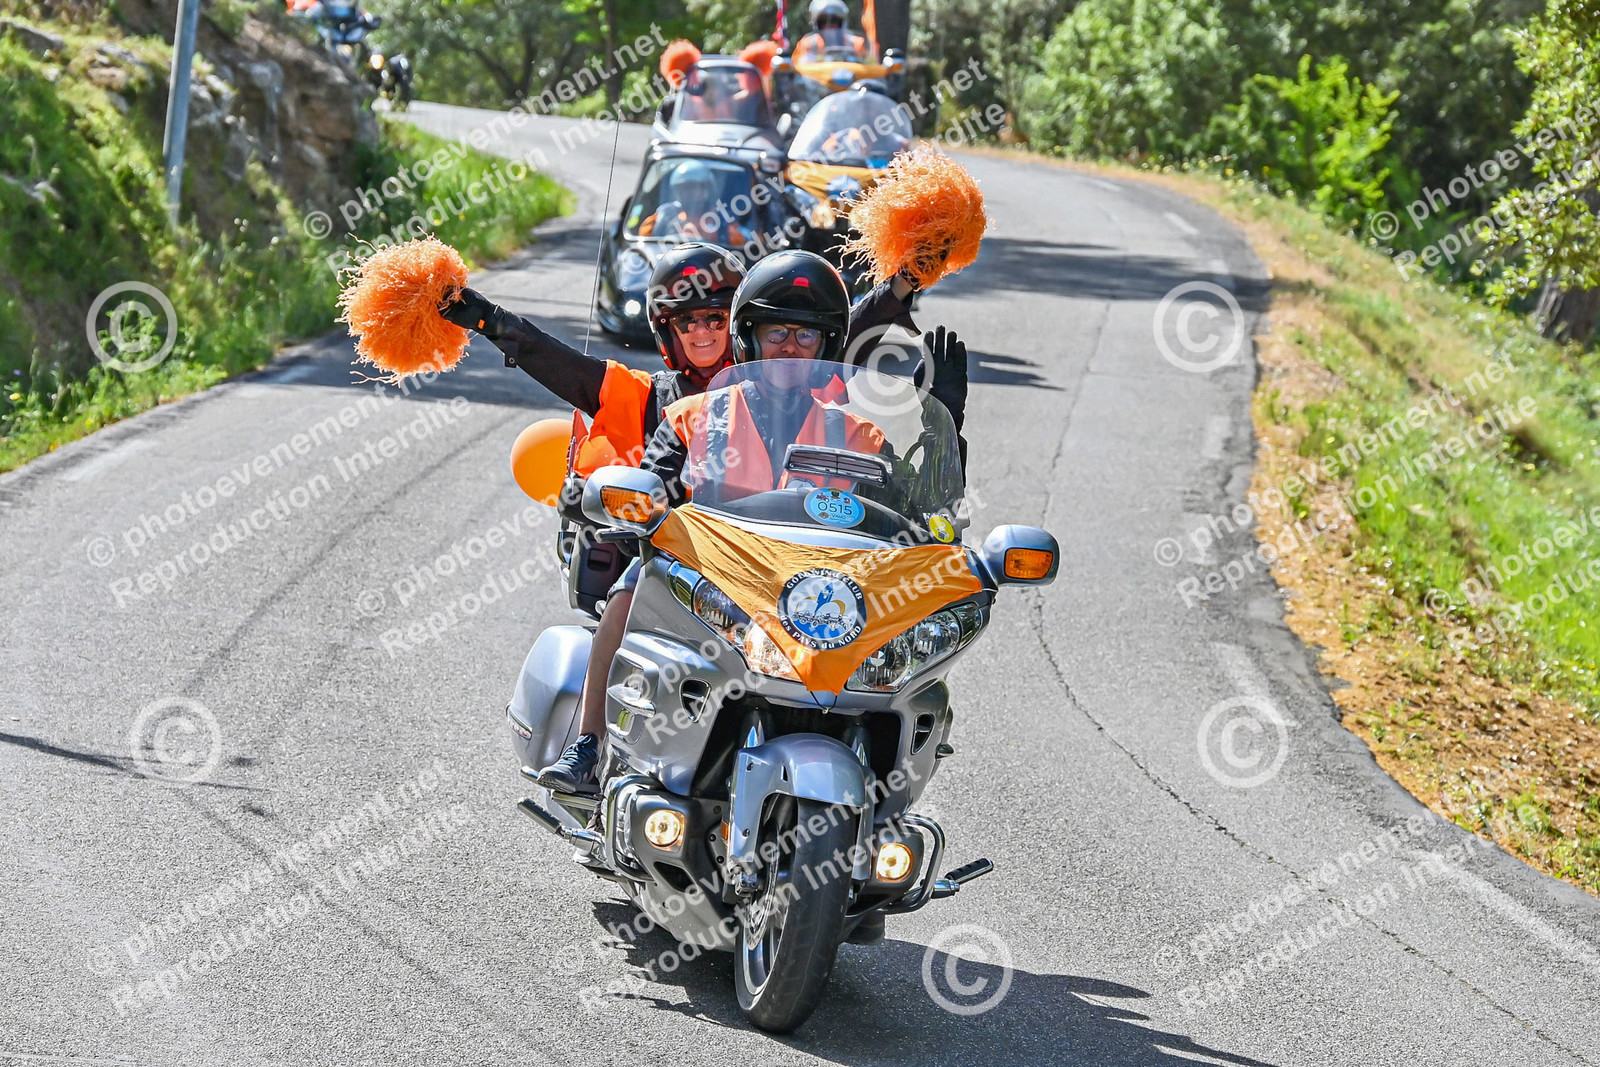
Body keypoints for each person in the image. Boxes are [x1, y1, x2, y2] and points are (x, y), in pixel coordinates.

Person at [536, 250, 969, 792]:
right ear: (749, 339)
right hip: (712, 584)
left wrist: (946, 425)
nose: (790, 346)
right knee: (629, 586)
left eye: (806, 335)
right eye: (776, 332)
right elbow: (652, 488)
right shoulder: (693, 416)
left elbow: (925, 521)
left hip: (814, 594)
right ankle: (589, 743)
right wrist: (630, 508)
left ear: (827, 346)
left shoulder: (859, 434)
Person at [635, 160, 754, 248]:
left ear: (706, 189)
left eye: (693, 187)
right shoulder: (665, 215)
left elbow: (743, 245)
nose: (688, 193)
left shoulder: (723, 220)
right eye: (683, 188)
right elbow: (643, 243)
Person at [793, 0, 870, 63]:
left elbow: (869, 65)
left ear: (842, 22)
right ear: (816, 24)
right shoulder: (807, 44)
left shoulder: (856, 43)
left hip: (849, 76)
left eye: (834, 21)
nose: (829, 25)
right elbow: (796, 67)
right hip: (817, 77)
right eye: (823, 21)